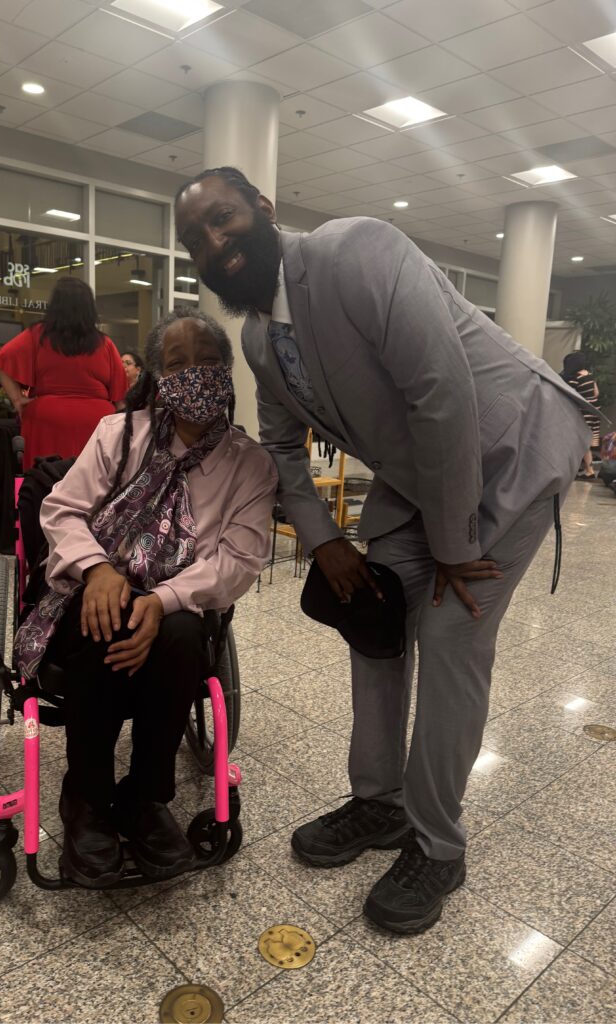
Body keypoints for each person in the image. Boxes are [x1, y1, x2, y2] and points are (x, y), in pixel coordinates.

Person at [174, 166, 594, 935]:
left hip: (512, 445)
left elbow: (444, 393)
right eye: (196, 238)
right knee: (373, 622)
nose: (215, 242)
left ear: (264, 208)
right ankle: (380, 803)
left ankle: (439, 844)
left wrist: (454, 543)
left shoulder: (356, 251)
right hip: (421, 471)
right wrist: (327, 541)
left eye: (225, 219)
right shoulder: (262, 337)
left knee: (448, 634)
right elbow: (279, 448)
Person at [13, 308, 277, 888]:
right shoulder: (119, 434)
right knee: (101, 617)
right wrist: (98, 571)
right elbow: (60, 510)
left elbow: (238, 560)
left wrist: (161, 600)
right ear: (158, 376)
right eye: (178, 363)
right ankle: (87, 798)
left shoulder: (249, 464)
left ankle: (146, 798)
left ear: (228, 372)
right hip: (92, 593)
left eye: (208, 361)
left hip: (177, 609)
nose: (195, 373)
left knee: (182, 632)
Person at [0, 278, 128, 468]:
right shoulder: (104, 343)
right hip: (97, 422)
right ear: (90, 308)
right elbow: (120, 398)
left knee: (43, 481)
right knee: (94, 485)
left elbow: (2, 359)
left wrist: (17, 400)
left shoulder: (36, 335)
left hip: (46, 420)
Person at [561, 351, 601, 480]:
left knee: (581, 442)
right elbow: (596, 393)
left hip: (584, 414)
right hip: (594, 412)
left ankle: (589, 471)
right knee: (585, 443)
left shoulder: (575, 377)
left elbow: (568, 394)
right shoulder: (589, 375)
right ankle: (584, 468)